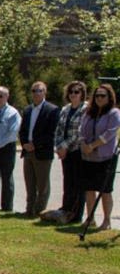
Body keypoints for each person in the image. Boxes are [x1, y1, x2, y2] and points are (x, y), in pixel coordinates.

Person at [79, 83, 120, 230]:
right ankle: (90, 219)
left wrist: (92, 146)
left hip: (106, 157)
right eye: (97, 95)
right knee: (89, 189)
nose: (99, 98)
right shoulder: (88, 112)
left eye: (103, 95)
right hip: (88, 157)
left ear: (109, 97)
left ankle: (106, 221)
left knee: (104, 190)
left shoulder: (114, 113)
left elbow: (110, 133)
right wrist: (83, 143)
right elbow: (81, 129)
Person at [46, 81, 87, 223]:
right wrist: (58, 147)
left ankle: (76, 214)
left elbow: (80, 131)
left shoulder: (86, 109)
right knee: (67, 182)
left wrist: (64, 146)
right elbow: (58, 130)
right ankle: (66, 209)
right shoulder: (65, 109)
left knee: (78, 183)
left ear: (82, 94)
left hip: (77, 150)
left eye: (76, 92)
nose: (73, 95)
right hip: (65, 152)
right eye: (71, 92)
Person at [19, 81, 61, 217]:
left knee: (42, 185)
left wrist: (35, 144)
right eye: (34, 91)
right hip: (27, 152)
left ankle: (39, 211)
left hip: (42, 152)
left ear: (45, 92)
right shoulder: (27, 110)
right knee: (29, 183)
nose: (37, 93)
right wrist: (25, 143)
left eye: (40, 90)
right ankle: (29, 209)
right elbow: (23, 130)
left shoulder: (52, 110)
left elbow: (52, 132)